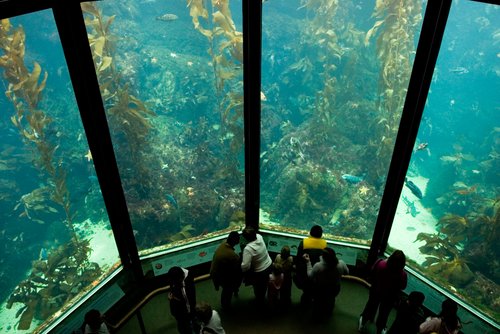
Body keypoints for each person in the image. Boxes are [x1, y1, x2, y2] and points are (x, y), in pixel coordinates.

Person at [359, 250, 408, 334]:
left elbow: (372, 272)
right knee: (384, 313)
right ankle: (380, 329)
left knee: (370, 306)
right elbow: (403, 287)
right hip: (390, 296)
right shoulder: (403, 274)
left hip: (376, 291)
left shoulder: (380, 263)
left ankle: (362, 323)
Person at [304, 247, 347, 321]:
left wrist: (308, 262)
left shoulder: (318, 266)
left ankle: (317, 316)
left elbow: (310, 276)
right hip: (334, 289)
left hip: (320, 289)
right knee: (331, 299)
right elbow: (347, 272)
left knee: (318, 301)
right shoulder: (341, 263)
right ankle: (328, 312)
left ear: (323, 257)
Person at [295, 225, 327, 305]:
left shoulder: (304, 242)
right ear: (321, 234)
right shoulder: (324, 244)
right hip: (318, 272)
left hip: (304, 272)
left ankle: (306, 298)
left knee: (306, 288)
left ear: (310, 233)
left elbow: (298, 257)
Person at [241, 226, 273, 305]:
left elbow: (245, 266)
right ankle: (262, 298)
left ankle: (259, 302)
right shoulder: (259, 237)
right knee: (264, 285)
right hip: (269, 264)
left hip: (260, 272)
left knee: (258, 289)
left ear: (246, 239)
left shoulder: (248, 249)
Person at [210, 231, 242, 310]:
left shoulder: (223, 244)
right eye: (238, 239)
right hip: (220, 276)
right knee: (227, 290)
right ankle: (225, 306)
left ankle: (234, 290)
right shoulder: (231, 255)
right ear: (235, 241)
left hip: (215, 271)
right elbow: (239, 265)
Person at [168, 266, 196, 334]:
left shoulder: (186, 286)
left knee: (185, 328)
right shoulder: (178, 273)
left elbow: (188, 302)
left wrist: (172, 299)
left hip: (184, 311)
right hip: (182, 309)